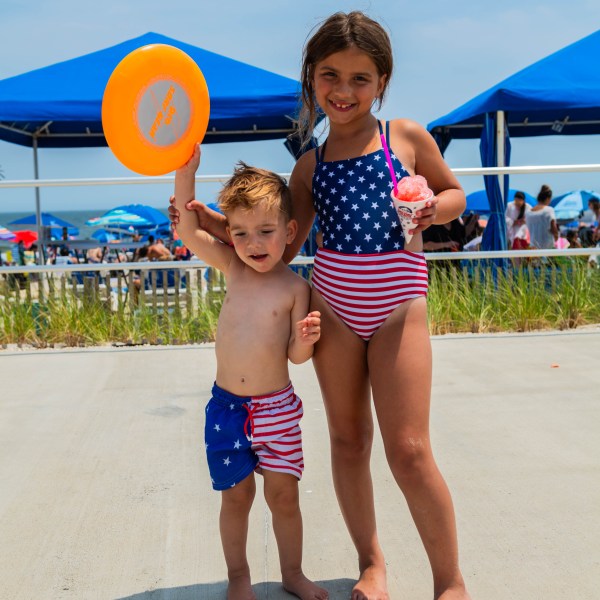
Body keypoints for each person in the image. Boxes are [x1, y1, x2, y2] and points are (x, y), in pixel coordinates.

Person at [169, 11, 470, 599]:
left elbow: (453, 191)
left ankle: (450, 580)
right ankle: (372, 564)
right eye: (330, 75)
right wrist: (215, 223)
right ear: (311, 80)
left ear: (382, 81)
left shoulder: (404, 137)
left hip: (397, 304)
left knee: (408, 448)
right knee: (349, 439)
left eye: (361, 78)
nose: (344, 90)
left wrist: (437, 208)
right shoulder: (311, 164)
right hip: (333, 306)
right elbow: (281, 240)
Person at [174, 148, 327, 600]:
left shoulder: (298, 288)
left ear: (289, 231)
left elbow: (297, 358)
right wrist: (186, 175)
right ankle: (239, 576)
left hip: (276, 408)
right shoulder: (234, 268)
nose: (253, 243)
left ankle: (293, 573)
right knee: (235, 497)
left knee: (284, 498)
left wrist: (306, 336)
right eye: (239, 233)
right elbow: (187, 228)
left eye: (265, 231)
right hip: (227, 408)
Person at [526, 184, 559, 249]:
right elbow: (554, 228)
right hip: (547, 247)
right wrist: (556, 237)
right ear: (547, 199)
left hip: (533, 248)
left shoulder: (528, 212)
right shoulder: (549, 210)